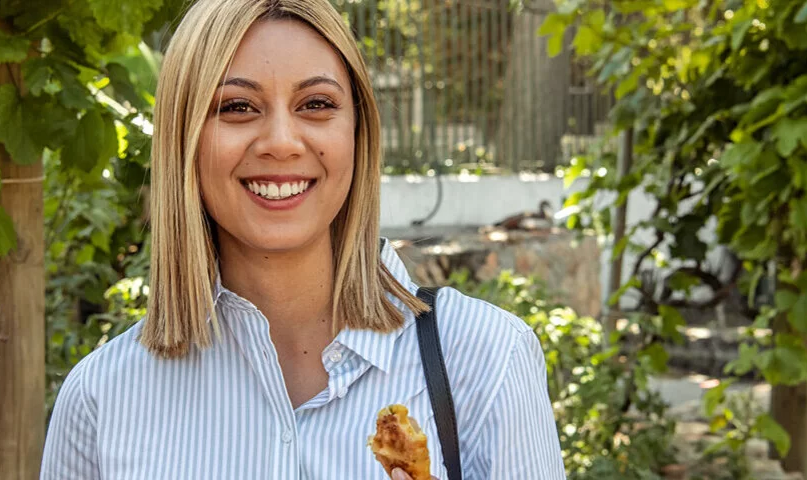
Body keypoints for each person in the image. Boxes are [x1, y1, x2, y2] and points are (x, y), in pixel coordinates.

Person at [40, 0, 565, 478]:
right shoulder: (101, 400)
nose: (282, 143)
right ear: (185, 140)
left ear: (357, 134)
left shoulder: (486, 359)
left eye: (315, 104)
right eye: (238, 107)